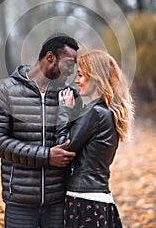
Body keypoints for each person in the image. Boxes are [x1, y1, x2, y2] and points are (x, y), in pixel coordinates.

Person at [0, 34, 82, 228]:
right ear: (50, 57)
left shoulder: (68, 95)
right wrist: (46, 156)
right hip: (20, 200)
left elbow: (78, 137)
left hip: (58, 199)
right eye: (69, 63)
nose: (72, 70)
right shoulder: (6, 90)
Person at [57, 50, 135, 228]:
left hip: (85, 201)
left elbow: (63, 146)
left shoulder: (96, 112)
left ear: (96, 77)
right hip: (98, 198)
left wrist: (64, 111)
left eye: (81, 75)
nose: (76, 80)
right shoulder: (104, 111)